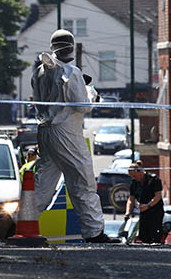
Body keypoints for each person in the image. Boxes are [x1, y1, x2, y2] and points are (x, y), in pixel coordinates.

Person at [31, 28, 117, 243]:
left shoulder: (40, 71)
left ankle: (18, 223)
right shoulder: (71, 72)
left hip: (46, 131)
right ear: (71, 47)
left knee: (43, 184)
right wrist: (91, 90)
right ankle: (94, 231)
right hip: (66, 131)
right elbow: (83, 106)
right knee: (83, 181)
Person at [124, 161, 164, 243]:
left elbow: (158, 196)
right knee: (143, 235)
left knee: (154, 234)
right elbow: (131, 199)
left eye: (134, 176)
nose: (134, 178)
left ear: (140, 172)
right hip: (143, 211)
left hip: (155, 211)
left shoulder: (153, 179)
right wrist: (128, 212)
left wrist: (148, 206)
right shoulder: (134, 183)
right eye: (132, 176)